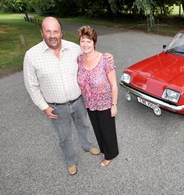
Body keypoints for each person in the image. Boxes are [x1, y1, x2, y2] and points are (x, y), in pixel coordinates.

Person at [23, 17, 114, 175]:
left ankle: (87, 145)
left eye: (55, 31)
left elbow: (91, 55)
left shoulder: (74, 49)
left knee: (84, 126)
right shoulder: (31, 56)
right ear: (42, 32)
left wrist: (107, 56)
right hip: (56, 107)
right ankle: (71, 160)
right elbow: (31, 85)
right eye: (48, 31)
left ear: (61, 32)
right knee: (64, 136)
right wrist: (43, 106)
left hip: (79, 101)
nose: (52, 35)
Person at [77, 25, 119, 167]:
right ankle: (104, 150)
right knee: (97, 129)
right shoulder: (79, 60)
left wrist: (114, 105)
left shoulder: (105, 60)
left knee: (107, 130)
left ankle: (110, 154)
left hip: (105, 103)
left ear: (94, 42)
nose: (85, 44)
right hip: (90, 103)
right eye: (83, 41)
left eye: (89, 41)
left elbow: (114, 85)